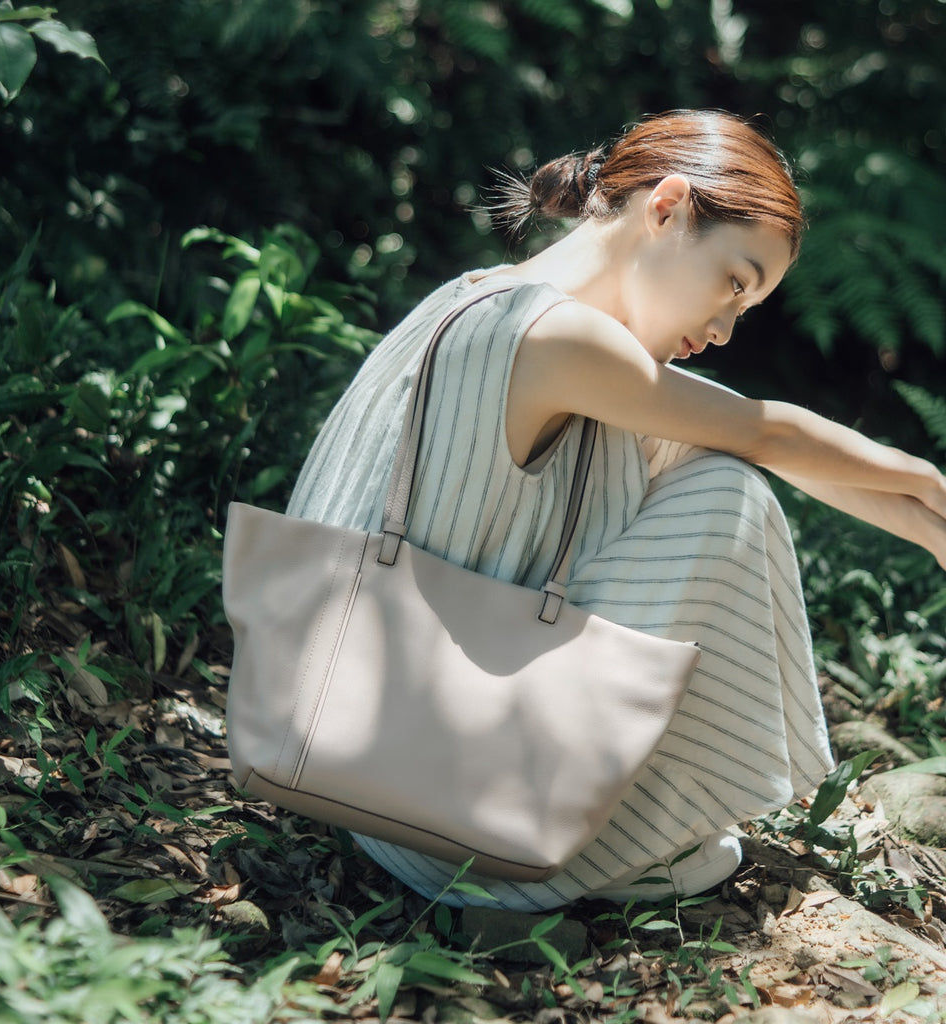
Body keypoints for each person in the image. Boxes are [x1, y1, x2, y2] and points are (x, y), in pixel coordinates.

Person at [285, 109, 946, 911]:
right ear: (665, 206)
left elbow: (748, 437)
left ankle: (611, 815)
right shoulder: (556, 338)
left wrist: (925, 526)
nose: (727, 326)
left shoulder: (492, 300)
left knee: (712, 468)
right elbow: (764, 432)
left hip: (359, 761)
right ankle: (620, 833)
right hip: (437, 812)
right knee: (728, 496)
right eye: (734, 282)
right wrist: (926, 479)